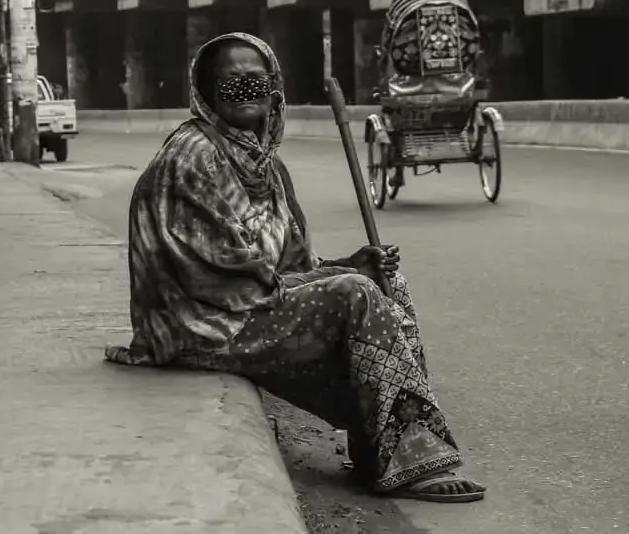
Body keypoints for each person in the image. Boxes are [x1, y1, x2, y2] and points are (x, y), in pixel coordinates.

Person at [105, 32, 486, 503]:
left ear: (274, 90)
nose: (247, 92)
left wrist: (350, 265)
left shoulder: (264, 164)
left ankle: (380, 448)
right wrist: (338, 281)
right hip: (201, 324)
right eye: (231, 83)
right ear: (206, 93)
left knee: (385, 282)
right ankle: (409, 459)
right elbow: (228, 280)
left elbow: (290, 266)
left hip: (250, 303)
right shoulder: (192, 159)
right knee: (356, 296)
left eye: (256, 82)